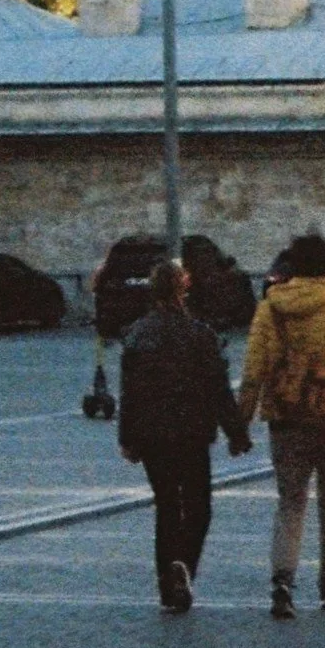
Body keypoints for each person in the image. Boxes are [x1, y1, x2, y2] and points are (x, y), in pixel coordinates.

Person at [237, 232, 325, 619]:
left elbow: (253, 370)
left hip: (284, 416)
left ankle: (282, 581)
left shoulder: (270, 308)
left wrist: (241, 421)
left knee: (290, 502)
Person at [119, 257, 251, 611]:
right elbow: (218, 390)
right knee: (198, 508)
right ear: (184, 288)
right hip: (192, 432)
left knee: (166, 506)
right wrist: (237, 432)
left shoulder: (137, 334)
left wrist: (127, 438)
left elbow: (129, 392)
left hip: (151, 435)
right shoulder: (201, 335)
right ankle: (183, 566)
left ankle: (167, 584)